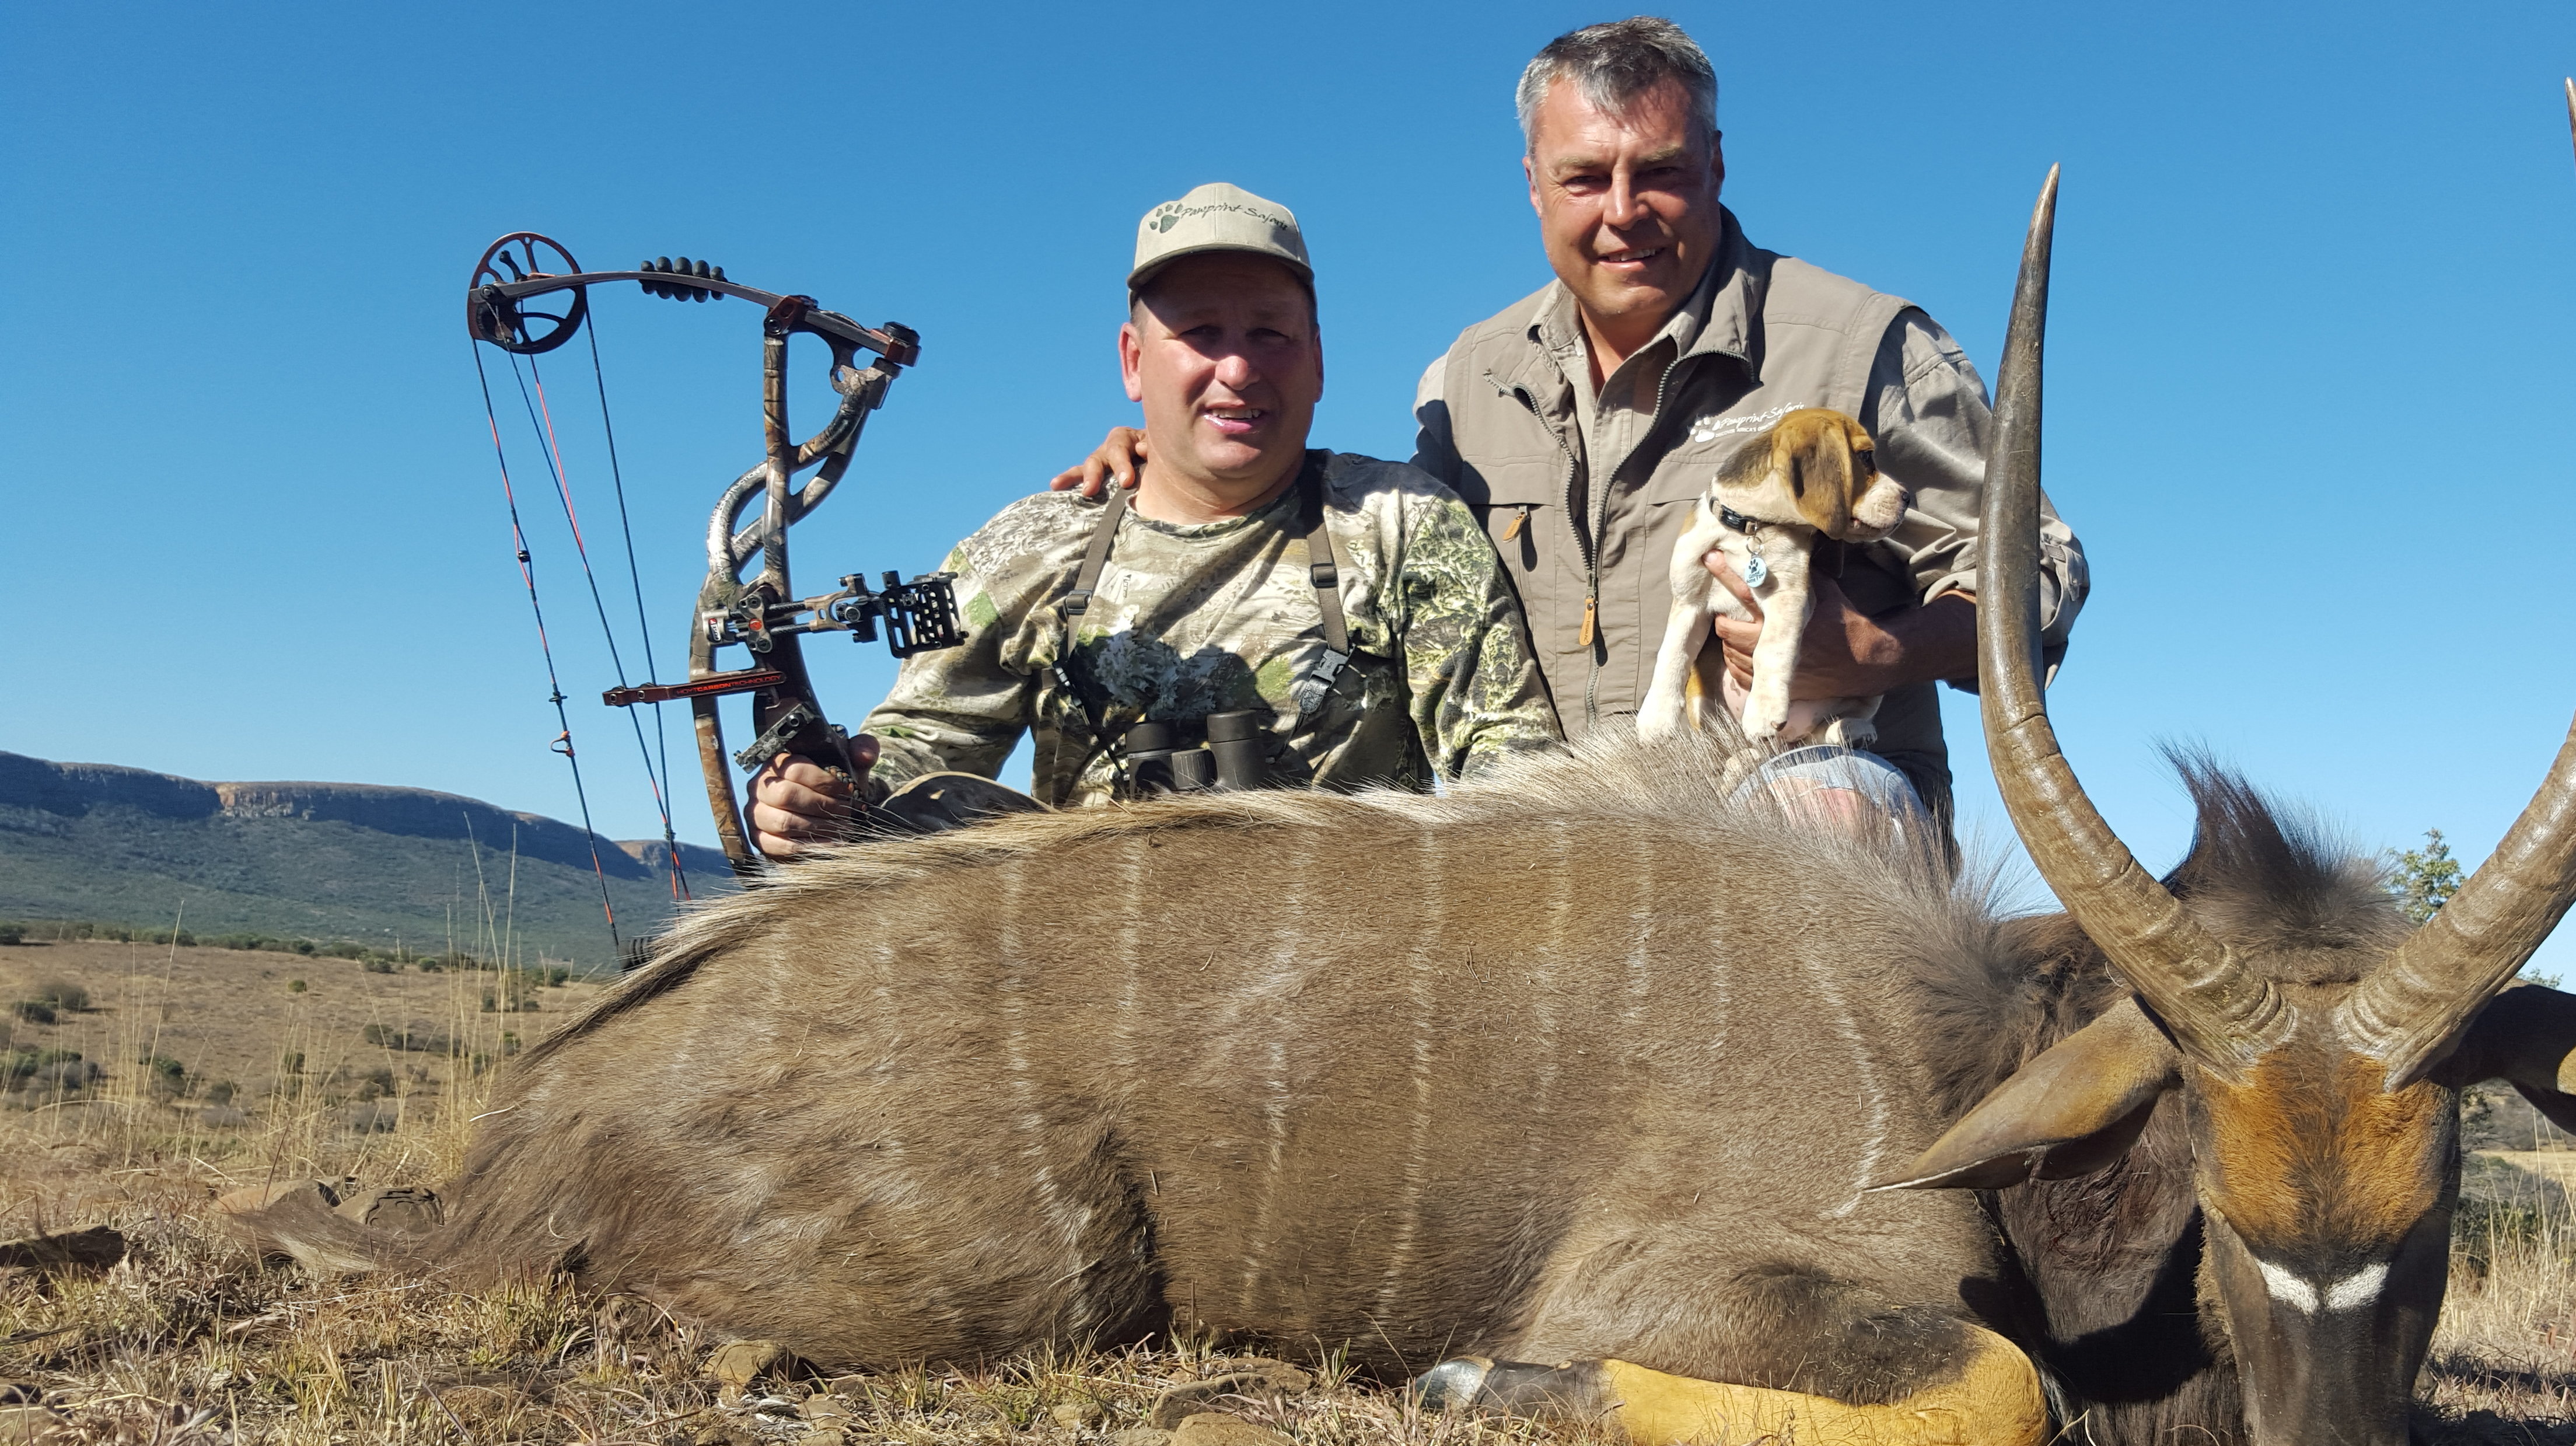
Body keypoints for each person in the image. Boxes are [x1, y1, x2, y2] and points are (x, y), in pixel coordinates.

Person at [1061, 19, 2086, 829]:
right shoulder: (1467, 379)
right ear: (1534, 186)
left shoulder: (1866, 346)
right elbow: (1370, 541)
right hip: (1559, 846)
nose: (1625, 211)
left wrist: (1875, 657)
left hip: (1796, 809)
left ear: (1718, 168)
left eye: (1663, 173)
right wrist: (1165, 468)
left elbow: (2036, 575)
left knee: (1820, 811)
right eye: (1587, 178)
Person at [752, 184, 1559, 856]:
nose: (1236, 370)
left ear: (1317, 359)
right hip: (1089, 972)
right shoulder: (1031, 543)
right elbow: (920, 748)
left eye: (1269, 335)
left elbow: (1514, 778)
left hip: (1349, 977)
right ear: (1135, 361)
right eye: (1199, 334)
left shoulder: (1405, 523)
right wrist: (821, 798)